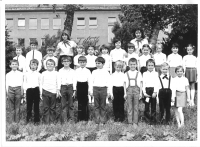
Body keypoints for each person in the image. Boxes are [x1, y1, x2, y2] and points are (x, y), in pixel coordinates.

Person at [40, 59, 61, 124]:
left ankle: (52, 122)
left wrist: (58, 90)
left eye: (51, 64)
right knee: (46, 108)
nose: (50, 65)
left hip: (53, 92)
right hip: (45, 91)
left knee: (53, 108)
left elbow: (58, 82)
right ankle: (46, 122)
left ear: (54, 65)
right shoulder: (43, 73)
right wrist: (41, 93)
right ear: (46, 65)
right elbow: (41, 83)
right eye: (48, 64)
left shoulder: (56, 73)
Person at [91, 57, 110, 124]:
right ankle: (97, 121)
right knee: (96, 106)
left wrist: (108, 91)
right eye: (96, 63)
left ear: (103, 64)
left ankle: (103, 120)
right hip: (95, 88)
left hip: (103, 89)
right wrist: (91, 90)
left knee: (103, 106)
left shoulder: (106, 72)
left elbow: (108, 82)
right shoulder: (94, 72)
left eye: (99, 63)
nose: (97, 64)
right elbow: (91, 82)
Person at [125, 58, 142, 128]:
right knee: (129, 107)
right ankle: (129, 122)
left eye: (134, 64)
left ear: (136, 65)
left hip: (136, 91)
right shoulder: (126, 73)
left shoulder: (139, 73)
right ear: (128, 65)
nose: (132, 66)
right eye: (131, 64)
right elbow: (124, 84)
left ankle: (135, 122)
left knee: (136, 107)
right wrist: (125, 93)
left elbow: (141, 84)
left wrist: (140, 93)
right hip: (129, 91)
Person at [58, 56, 76, 123]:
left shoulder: (73, 71)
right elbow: (59, 80)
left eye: (67, 61)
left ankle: (71, 120)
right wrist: (58, 90)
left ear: (70, 62)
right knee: (63, 105)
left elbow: (74, 80)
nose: (66, 63)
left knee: (71, 105)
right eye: (64, 61)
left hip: (70, 87)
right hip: (63, 87)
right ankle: (64, 121)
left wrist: (74, 90)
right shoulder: (60, 71)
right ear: (62, 62)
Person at [74, 56, 92, 122]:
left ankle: (85, 118)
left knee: (85, 102)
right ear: (78, 63)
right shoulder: (76, 71)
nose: (82, 64)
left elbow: (90, 81)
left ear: (86, 63)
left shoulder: (88, 71)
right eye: (81, 62)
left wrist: (90, 89)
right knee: (80, 102)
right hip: (79, 85)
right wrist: (74, 89)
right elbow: (74, 80)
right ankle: (80, 118)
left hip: (85, 85)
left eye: (84, 62)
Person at [23, 59, 41, 125]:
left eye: (35, 65)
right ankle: (28, 120)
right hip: (29, 90)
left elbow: (40, 83)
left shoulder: (39, 74)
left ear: (37, 66)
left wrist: (40, 93)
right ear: (30, 65)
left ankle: (36, 121)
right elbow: (25, 83)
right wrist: (24, 92)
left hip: (36, 90)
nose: (33, 66)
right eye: (32, 64)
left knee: (36, 106)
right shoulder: (26, 74)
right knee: (29, 106)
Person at [142, 59, 159, 125]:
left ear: (154, 66)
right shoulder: (144, 73)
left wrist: (155, 92)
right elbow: (143, 83)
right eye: (149, 65)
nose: (150, 67)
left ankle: (153, 121)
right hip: (147, 90)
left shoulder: (156, 73)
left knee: (153, 106)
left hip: (153, 90)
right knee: (146, 106)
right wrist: (144, 92)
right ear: (146, 66)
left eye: (152, 65)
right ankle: (147, 120)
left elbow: (156, 83)